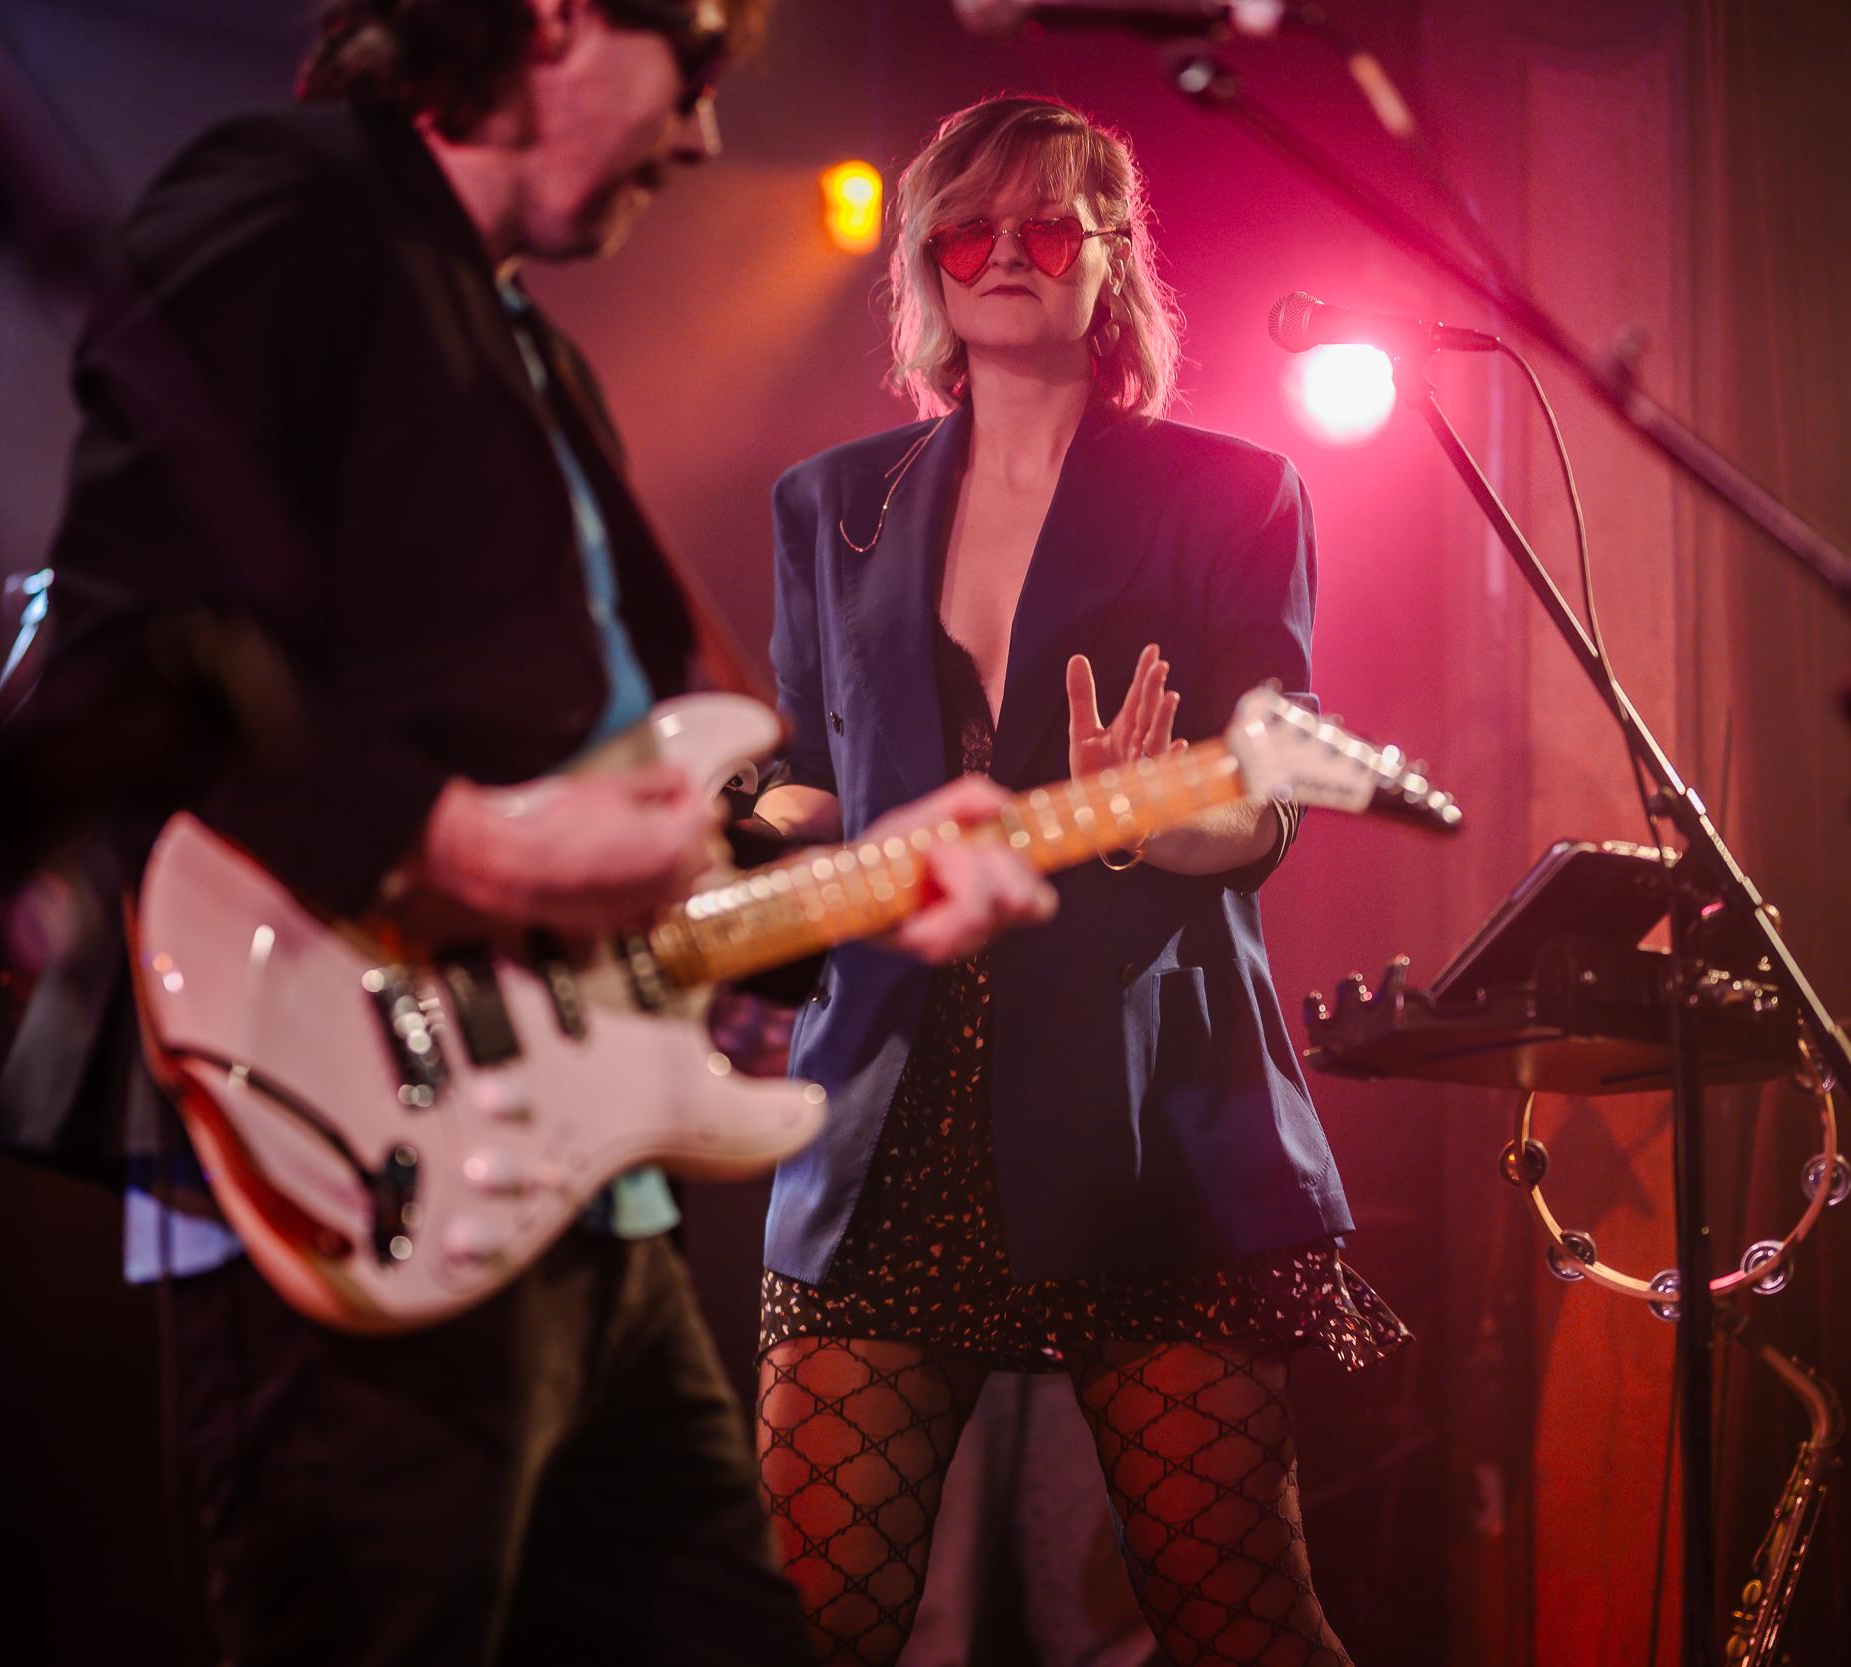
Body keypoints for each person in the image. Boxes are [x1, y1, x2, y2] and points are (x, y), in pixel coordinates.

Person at [16, 6, 1056, 1666]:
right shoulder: (288, 197)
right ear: (560, 14)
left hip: (579, 1195)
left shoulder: (532, 357)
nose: (704, 139)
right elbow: (129, 650)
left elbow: (631, 802)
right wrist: (476, 849)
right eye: (693, 76)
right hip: (347, 1151)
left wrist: (864, 880)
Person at [748, 96, 1412, 1667]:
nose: (1005, 255)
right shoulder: (832, 501)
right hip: (883, 1108)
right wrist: (747, 840)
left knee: (1237, 1617)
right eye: (967, 229)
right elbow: (810, 773)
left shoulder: (1233, 491)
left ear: (1112, 257)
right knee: (807, 1628)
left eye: (1047, 225)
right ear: (924, 263)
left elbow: (1266, 793)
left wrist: (1144, 819)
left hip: (1148, 1107)